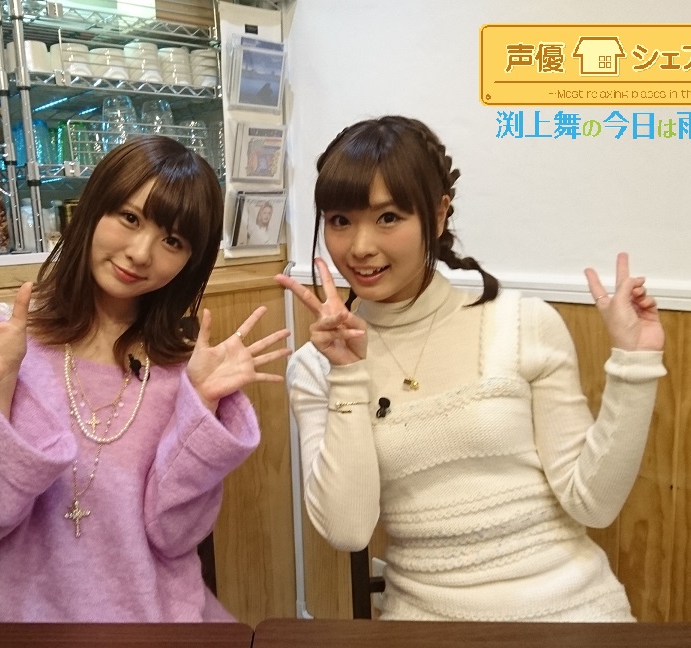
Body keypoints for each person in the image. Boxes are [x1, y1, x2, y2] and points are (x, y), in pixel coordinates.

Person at [275, 116, 666, 622]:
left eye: (388, 217)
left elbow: (593, 503)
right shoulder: (316, 366)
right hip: (427, 621)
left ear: (438, 215)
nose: (360, 246)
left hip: (574, 611)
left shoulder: (521, 322)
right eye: (339, 220)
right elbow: (348, 530)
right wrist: (348, 375)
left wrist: (635, 363)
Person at [0, 136, 291, 623]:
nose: (141, 253)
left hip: (152, 625)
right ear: (91, 209)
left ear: (191, 261)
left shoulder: (183, 371)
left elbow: (176, 536)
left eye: (173, 241)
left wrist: (203, 405)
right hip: (13, 627)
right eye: (130, 218)